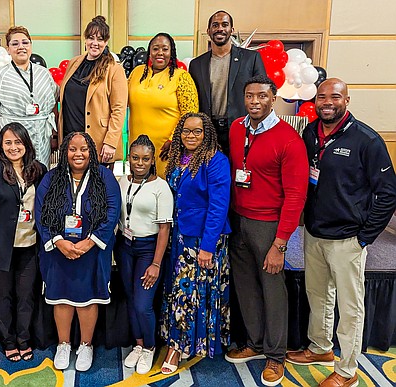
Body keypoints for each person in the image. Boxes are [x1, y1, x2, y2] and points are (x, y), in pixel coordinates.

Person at [286, 78, 396, 387]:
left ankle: (347, 370)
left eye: (335, 96)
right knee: (318, 295)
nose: (327, 102)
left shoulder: (367, 140)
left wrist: (366, 236)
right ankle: (320, 348)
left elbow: (388, 193)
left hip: (349, 238)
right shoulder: (310, 134)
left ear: (346, 100)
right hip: (315, 233)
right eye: (322, 97)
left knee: (350, 307)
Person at [225, 75, 308, 387]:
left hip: (269, 226)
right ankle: (255, 342)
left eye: (261, 96)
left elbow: (296, 196)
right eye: (249, 96)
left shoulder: (289, 139)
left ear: (274, 98)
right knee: (246, 286)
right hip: (239, 221)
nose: (255, 101)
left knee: (273, 289)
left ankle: (275, 355)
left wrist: (281, 242)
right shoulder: (236, 128)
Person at [35, 132, 121, 372]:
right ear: (64, 152)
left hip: (92, 251)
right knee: (61, 298)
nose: (78, 154)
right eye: (72, 149)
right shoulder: (51, 178)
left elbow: (113, 210)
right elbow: (41, 212)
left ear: (91, 151)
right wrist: (58, 241)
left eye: (83, 149)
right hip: (59, 251)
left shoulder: (104, 177)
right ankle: (63, 344)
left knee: (87, 298)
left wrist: (90, 242)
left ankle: (85, 345)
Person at [160, 112, 232, 374]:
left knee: (188, 294)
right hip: (179, 236)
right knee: (179, 291)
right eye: (186, 131)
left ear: (207, 134)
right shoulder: (178, 158)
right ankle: (179, 340)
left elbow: (218, 206)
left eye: (197, 131)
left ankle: (176, 349)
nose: (191, 136)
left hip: (203, 239)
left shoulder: (216, 161)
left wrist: (207, 247)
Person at [0, 122, 46, 362]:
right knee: (2, 295)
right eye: (8, 142)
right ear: (0, 146)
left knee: (26, 295)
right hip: (0, 249)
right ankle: (8, 341)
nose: (13, 147)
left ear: (26, 144)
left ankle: (24, 340)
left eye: (18, 142)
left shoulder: (39, 170)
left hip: (30, 246)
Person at [115, 135, 173, 374]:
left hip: (148, 249)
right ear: (129, 158)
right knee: (130, 298)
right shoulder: (120, 182)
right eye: (135, 157)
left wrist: (156, 264)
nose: (140, 163)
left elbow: (164, 229)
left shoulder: (161, 187)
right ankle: (138, 345)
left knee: (142, 304)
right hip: (124, 247)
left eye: (145, 159)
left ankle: (149, 347)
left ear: (152, 161)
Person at [189, 10, 266, 156]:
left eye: (225, 25)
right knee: (210, 173)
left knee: (239, 172)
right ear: (208, 31)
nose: (220, 29)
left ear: (232, 30)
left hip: (241, 128)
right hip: (207, 131)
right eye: (215, 25)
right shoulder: (196, 64)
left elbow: (263, 94)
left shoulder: (251, 58)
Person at [0, 26, 58, 166]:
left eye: (25, 42)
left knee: (41, 176)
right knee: (14, 178)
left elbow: (53, 104)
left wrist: (54, 134)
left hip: (42, 135)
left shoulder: (44, 73)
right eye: (15, 44)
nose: (21, 47)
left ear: (31, 45)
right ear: (8, 49)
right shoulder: (0, 75)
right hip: (13, 138)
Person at [58, 15, 128, 166]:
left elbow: (119, 109)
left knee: (97, 187)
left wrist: (111, 142)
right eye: (91, 38)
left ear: (106, 42)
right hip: (70, 141)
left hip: (98, 142)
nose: (95, 43)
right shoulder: (74, 63)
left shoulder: (114, 69)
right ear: (85, 39)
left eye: (100, 39)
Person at [128, 32, 199, 178]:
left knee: (165, 192)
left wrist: (174, 140)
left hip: (166, 150)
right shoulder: (137, 73)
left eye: (165, 49)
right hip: (138, 151)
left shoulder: (181, 77)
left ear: (171, 52)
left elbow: (190, 115)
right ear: (149, 52)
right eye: (155, 48)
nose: (160, 53)